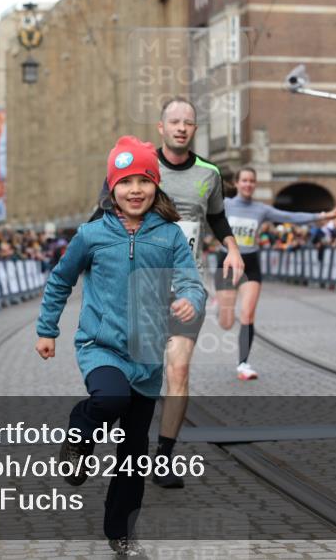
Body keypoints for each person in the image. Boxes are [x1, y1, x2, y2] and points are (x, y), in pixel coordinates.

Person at [36, 137, 205, 557]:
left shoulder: (169, 236)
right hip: (101, 345)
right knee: (108, 399)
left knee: (133, 455)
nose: (135, 189)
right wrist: (47, 329)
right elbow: (60, 280)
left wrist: (190, 300)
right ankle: (80, 429)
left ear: (155, 186)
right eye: (125, 181)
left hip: (146, 354)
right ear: (111, 188)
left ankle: (121, 532)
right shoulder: (91, 235)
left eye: (143, 180)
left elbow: (190, 280)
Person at [89, 97, 243, 490]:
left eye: (188, 123)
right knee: (139, 376)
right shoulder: (140, 166)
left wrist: (233, 247)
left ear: (195, 129)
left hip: (186, 285)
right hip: (142, 287)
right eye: (174, 121)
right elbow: (101, 216)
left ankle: (164, 458)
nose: (181, 128)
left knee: (178, 369)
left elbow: (216, 216)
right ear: (161, 127)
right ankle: (130, 450)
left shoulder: (209, 173)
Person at [215, 167, 336, 380]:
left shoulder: (261, 209)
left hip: (251, 263)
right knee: (226, 321)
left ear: (254, 184)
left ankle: (243, 364)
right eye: (244, 180)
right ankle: (222, 309)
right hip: (227, 263)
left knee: (247, 314)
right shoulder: (225, 205)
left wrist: (325, 215)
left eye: (251, 181)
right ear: (237, 183)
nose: (248, 184)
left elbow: (292, 217)